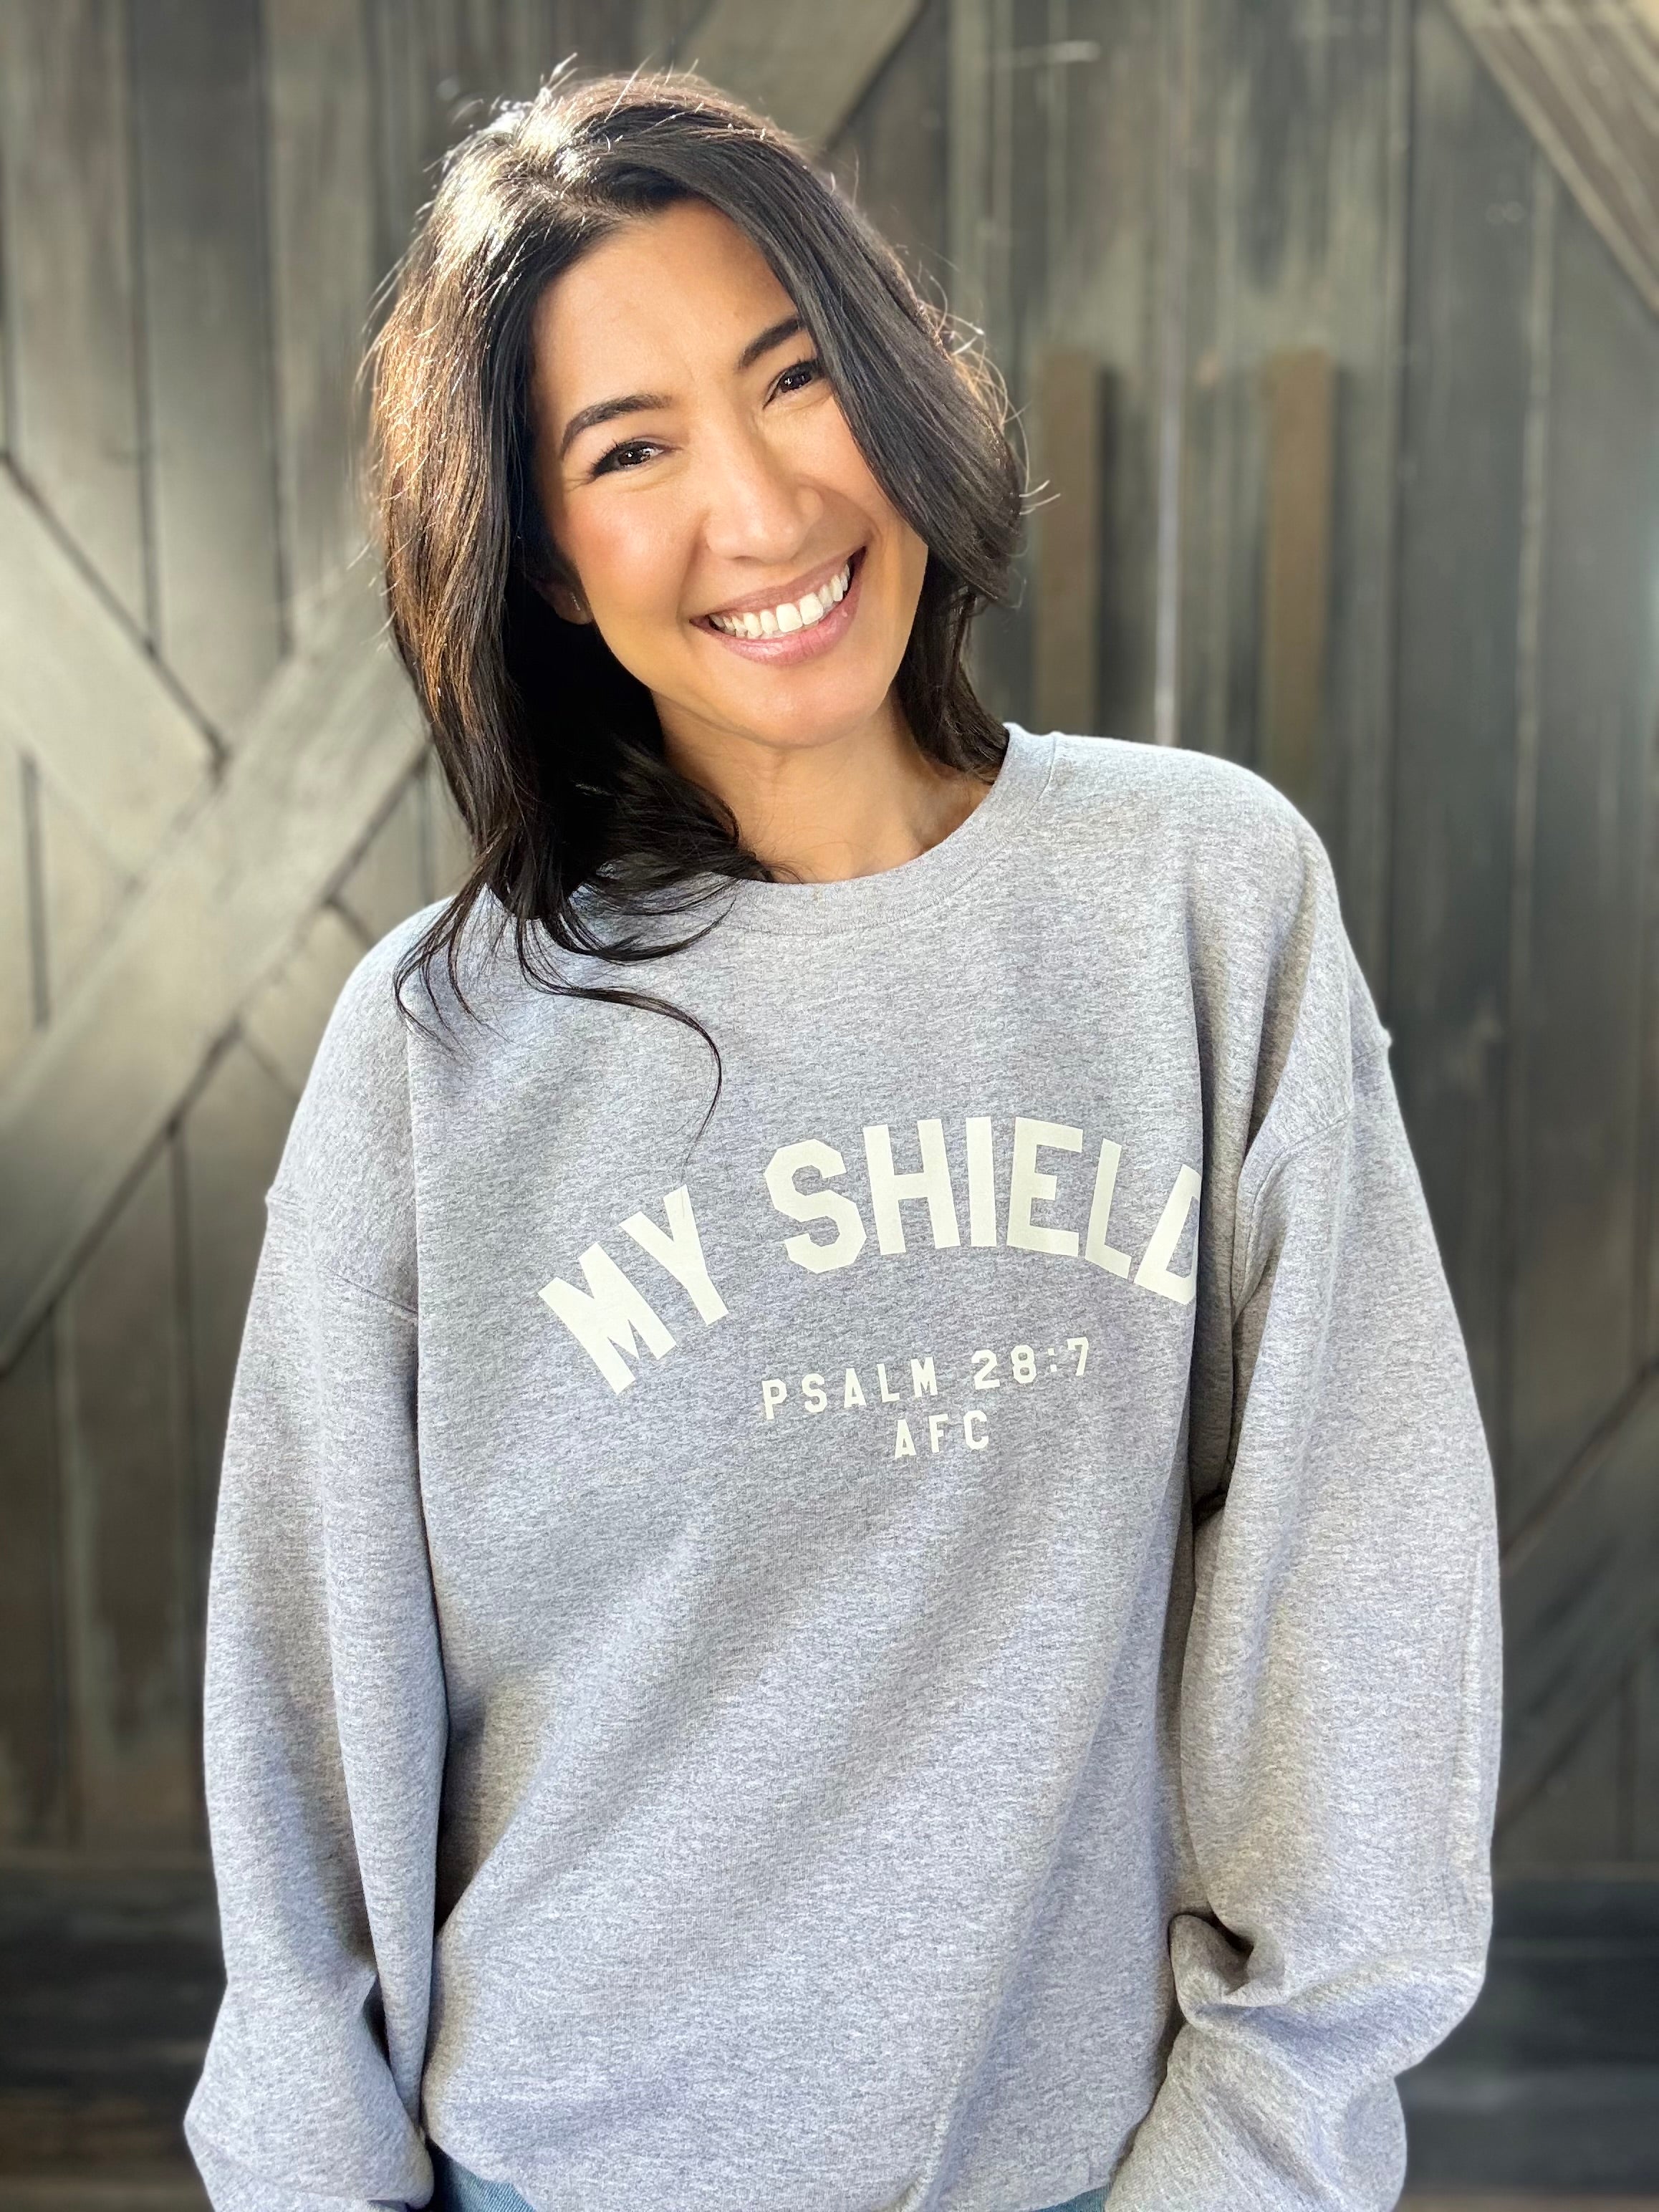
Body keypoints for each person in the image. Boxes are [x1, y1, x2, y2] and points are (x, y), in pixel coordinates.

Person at [183, 64, 1501, 2212]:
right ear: (547, 562)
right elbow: (305, 1731)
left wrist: (1259, 2153)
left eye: (796, 381)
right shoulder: (442, 1051)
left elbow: (1362, 1595)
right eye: (629, 450)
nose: (762, 507)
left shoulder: (1196, 903)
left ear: (900, 385)